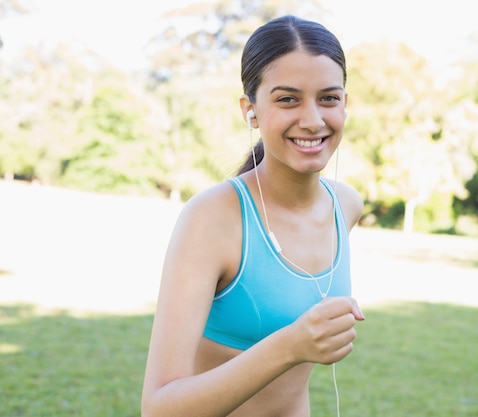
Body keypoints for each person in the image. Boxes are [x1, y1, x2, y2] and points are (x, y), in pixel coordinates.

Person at [141, 14, 365, 417]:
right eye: (287, 99)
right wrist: (291, 345)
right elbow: (159, 408)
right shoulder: (211, 219)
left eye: (328, 98)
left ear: (344, 104)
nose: (313, 119)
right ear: (251, 111)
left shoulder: (347, 206)